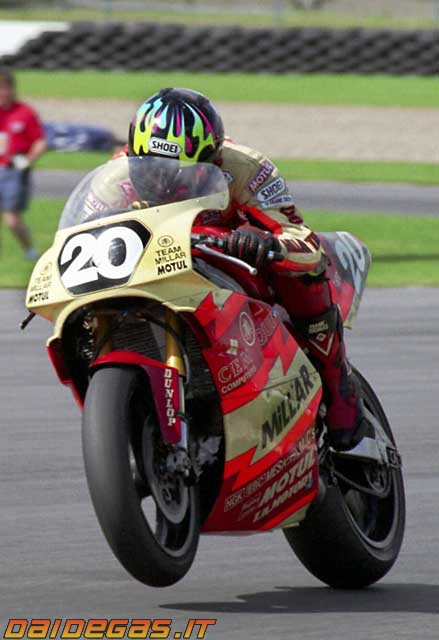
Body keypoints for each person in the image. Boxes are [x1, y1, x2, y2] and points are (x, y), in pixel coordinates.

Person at [123, 87, 371, 452]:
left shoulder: (246, 168)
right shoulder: (117, 173)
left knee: (301, 274)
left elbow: (304, 244)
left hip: (234, 260)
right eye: (151, 171)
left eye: (180, 174)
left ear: (213, 159)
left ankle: (337, 385)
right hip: (162, 265)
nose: (163, 184)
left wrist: (267, 244)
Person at [0, 68, 47, 260]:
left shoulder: (24, 113)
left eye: (4, 88)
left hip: (13, 172)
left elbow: (40, 141)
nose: (2, 93)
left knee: (11, 219)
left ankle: (30, 251)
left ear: (12, 89)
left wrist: (28, 160)